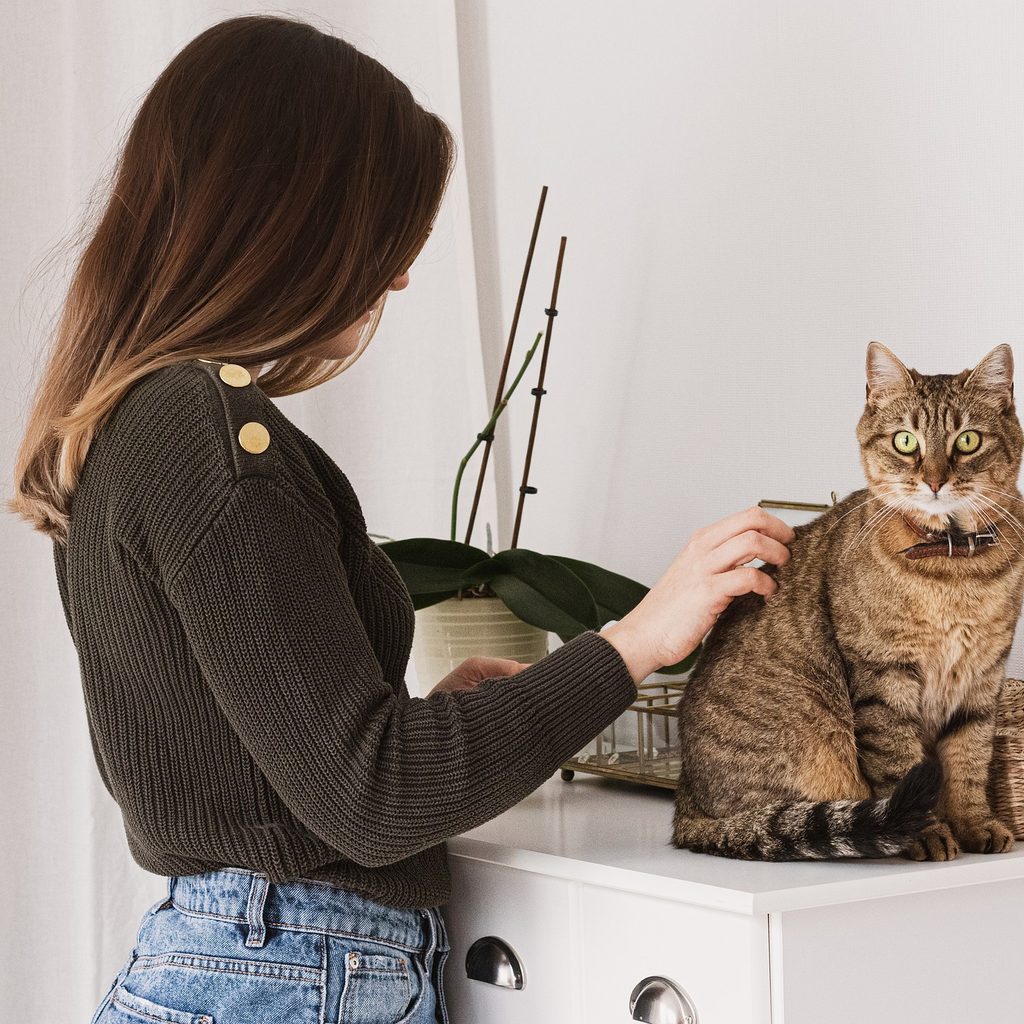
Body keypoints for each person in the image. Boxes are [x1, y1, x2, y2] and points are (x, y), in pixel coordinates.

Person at [7, 14, 795, 1024]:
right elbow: (372, 802)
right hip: (288, 972)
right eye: (387, 235)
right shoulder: (211, 434)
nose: (401, 274)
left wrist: (433, 716)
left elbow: (277, 763)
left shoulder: (141, 426)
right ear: (297, 220)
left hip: (247, 968)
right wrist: (636, 639)